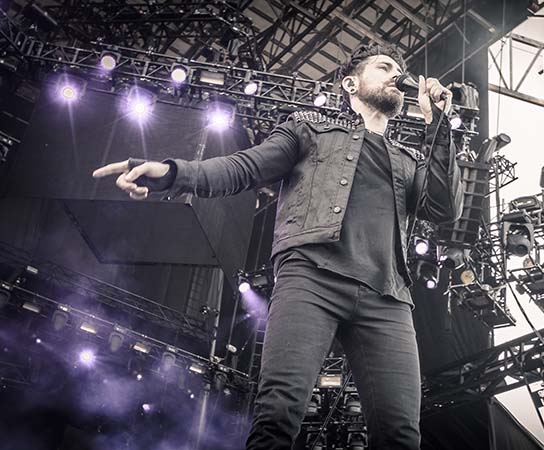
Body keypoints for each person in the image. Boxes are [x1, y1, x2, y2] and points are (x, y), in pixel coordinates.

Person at [92, 43, 463, 449]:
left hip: (387, 297)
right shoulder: (310, 131)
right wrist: (168, 172)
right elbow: (243, 168)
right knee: (278, 415)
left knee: (401, 434)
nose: (396, 73)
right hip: (311, 278)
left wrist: (438, 123)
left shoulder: (408, 160)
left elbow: (445, 209)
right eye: (384, 66)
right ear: (351, 83)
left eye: (400, 68)